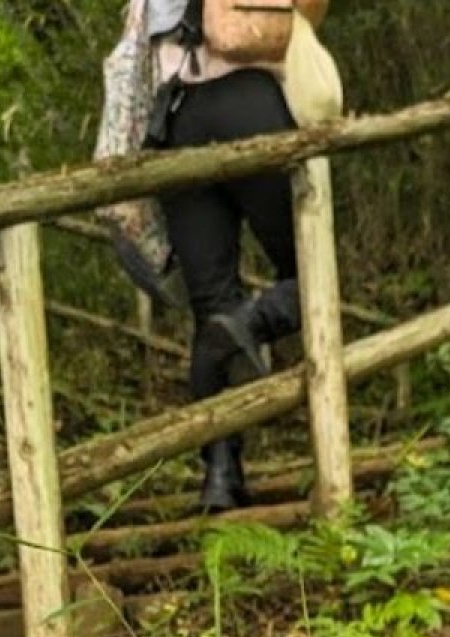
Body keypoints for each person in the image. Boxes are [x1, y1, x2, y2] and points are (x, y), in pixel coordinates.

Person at [148, 0, 331, 512]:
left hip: (177, 119)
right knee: (317, 272)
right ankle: (250, 322)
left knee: (211, 307)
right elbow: (263, 27)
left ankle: (221, 477)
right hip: (249, 104)